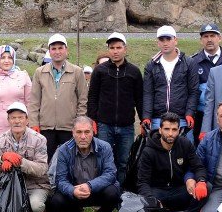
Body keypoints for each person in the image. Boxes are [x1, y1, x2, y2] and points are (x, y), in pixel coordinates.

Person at [87, 32, 143, 186]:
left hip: (126, 126)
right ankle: (104, 194)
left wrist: (144, 120)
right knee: (104, 160)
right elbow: (92, 97)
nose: (115, 51)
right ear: (108, 49)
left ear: (125, 49)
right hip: (105, 124)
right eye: (112, 48)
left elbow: (139, 98)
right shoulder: (100, 71)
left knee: (124, 162)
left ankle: (122, 195)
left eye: (119, 47)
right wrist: (92, 119)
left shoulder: (134, 71)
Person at [47, 116, 120, 212]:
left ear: (93, 132)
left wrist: (90, 186)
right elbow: (60, 180)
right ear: (73, 133)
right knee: (57, 200)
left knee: (113, 191)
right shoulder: (63, 150)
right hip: (75, 192)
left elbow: (110, 174)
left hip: (98, 190)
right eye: (79, 132)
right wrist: (73, 190)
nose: (83, 136)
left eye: (87, 132)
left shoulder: (105, 147)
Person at [0, 102, 51, 212]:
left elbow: (42, 169)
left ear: (27, 119)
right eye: (13, 118)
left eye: (20, 117)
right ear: (8, 120)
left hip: (34, 185)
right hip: (9, 184)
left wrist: (20, 161)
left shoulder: (39, 139)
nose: (17, 121)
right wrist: (2, 160)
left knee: (36, 205)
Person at [27, 33, 88, 159]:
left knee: (69, 161)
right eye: (53, 48)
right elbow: (34, 101)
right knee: (45, 160)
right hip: (46, 127)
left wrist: (79, 123)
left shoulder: (77, 72)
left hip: (69, 127)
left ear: (66, 50)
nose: (57, 51)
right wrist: (34, 123)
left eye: (60, 48)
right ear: (49, 51)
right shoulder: (40, 72)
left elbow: (83, 100)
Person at [136, 113, 206, 212]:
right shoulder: (149, 151)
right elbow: (143, 182)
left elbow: (198, 167)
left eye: (174, 130)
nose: (170, 133)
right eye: (167, 129)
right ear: (160, 130)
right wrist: (151, 200)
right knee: (145, 201)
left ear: (178, 131)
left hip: (179, 190)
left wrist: (200, 181)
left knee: (206, 187)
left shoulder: (185, 144)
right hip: (157, 192)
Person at [141, 26, 199, 135]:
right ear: (158, 42)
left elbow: (194, 91)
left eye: (168, 39)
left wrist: (190, 113)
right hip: (158, 119)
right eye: (162, 40)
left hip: (182, 118)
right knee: (157, 151)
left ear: (175, 40)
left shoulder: (189, 63)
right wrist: (146, 117)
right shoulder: (151, 65)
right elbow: (148, 93)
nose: (165, 43)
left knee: (184, 150)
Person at [0, 45, 32, 137]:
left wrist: (30, 122)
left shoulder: (23, 76)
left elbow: (29, 102)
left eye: (10, 57)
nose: (6, 61)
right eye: (3, 57)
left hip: (20, 124)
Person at [191, 22, 222, 139]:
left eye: (213, 36)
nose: (209, 39)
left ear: (219, 38)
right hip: (201, 114)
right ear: (201, 40)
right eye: (206, 36)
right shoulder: (193, 62)